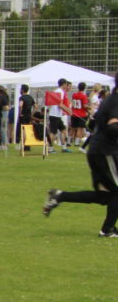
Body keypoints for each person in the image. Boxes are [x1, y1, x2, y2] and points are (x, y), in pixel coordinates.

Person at [44, 78, 118, 236]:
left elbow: (91, 124)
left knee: (105, 196)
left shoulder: (109, 100)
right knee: (116, 192)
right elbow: (113, 127)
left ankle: (59, 196)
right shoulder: (115, 101)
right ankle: (107, 230)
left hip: (97, 151)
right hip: (105, 152)